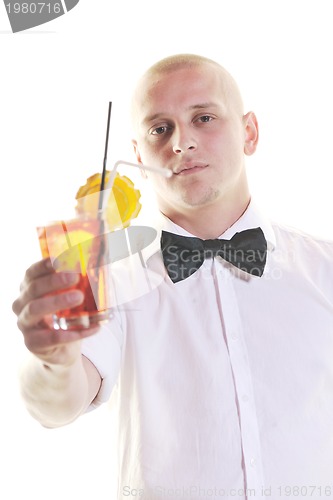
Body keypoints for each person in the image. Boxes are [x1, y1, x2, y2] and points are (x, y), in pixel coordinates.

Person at [12, 54, 333, 499]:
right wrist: (53, 357)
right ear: (138, 155)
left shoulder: (325, 268)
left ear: (249, 132)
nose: (182, 142)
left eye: (204, 117)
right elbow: (56, 405)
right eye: (159, 128)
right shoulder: (109, 282)